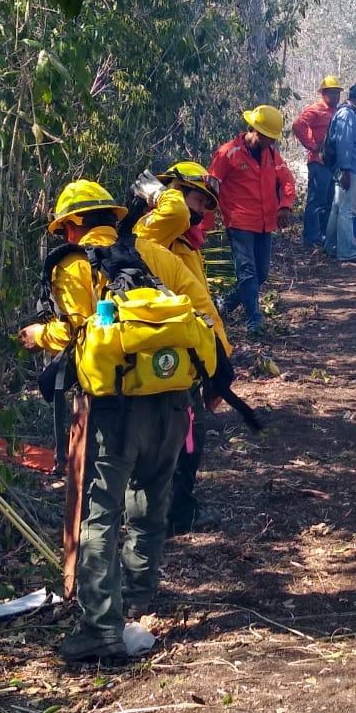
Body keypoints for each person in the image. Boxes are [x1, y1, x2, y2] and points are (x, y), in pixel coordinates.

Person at [18, 181, 211, 663]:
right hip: (170, 398)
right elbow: (200, 309)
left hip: (113, 408)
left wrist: (40, 334)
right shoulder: (153, 251)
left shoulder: (73, 262)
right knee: (149, 504)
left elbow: (75, 327)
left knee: (100, 514)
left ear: (72, 224)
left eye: (64, 227)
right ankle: (138, 606)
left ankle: (102, 628)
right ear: (111, 214)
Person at [136, 162, 232, 535]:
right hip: (168, 357)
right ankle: (172, 516)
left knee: (188, 441)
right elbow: (174, 211)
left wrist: (220, 361)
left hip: (189, 357)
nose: (200, 213)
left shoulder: (184, 247)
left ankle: (175, 512)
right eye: (197, 200)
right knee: (178, 441)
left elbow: (202, 305)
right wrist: (162, 193)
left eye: (207, 207)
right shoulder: (154, 231)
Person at [209, 105, 295, 335]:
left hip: (265, 223)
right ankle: (254, 320)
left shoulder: (272, 154)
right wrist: (204, 221)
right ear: (255, 131)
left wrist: (285, 204)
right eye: (269, 137)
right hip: (239, 223)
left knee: (262, 273)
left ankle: (225, 304)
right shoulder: (228, 153)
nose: (272, 142)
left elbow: (286, 179)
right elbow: (211, 187)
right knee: (247, 271)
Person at [324, 83, 356, 264]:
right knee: (347, 209)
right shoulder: (347, 115)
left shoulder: (347, 113)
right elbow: (344, 144)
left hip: (348, 169)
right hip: (349, 170)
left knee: (337, 208)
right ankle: (347, 251)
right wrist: (346, 171)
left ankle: (332, 246)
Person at [292, 75, 342, 248]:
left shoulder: (337, 112)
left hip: (332, 163)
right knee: (317, 201)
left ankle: (323, 237)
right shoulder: (316, 109)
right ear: (324, 93)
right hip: (319, 163)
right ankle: (311, 238)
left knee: (329, 202)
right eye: (333, 93)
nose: (336, 96)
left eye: (338, 93)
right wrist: (312, 146)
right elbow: (298, 125)